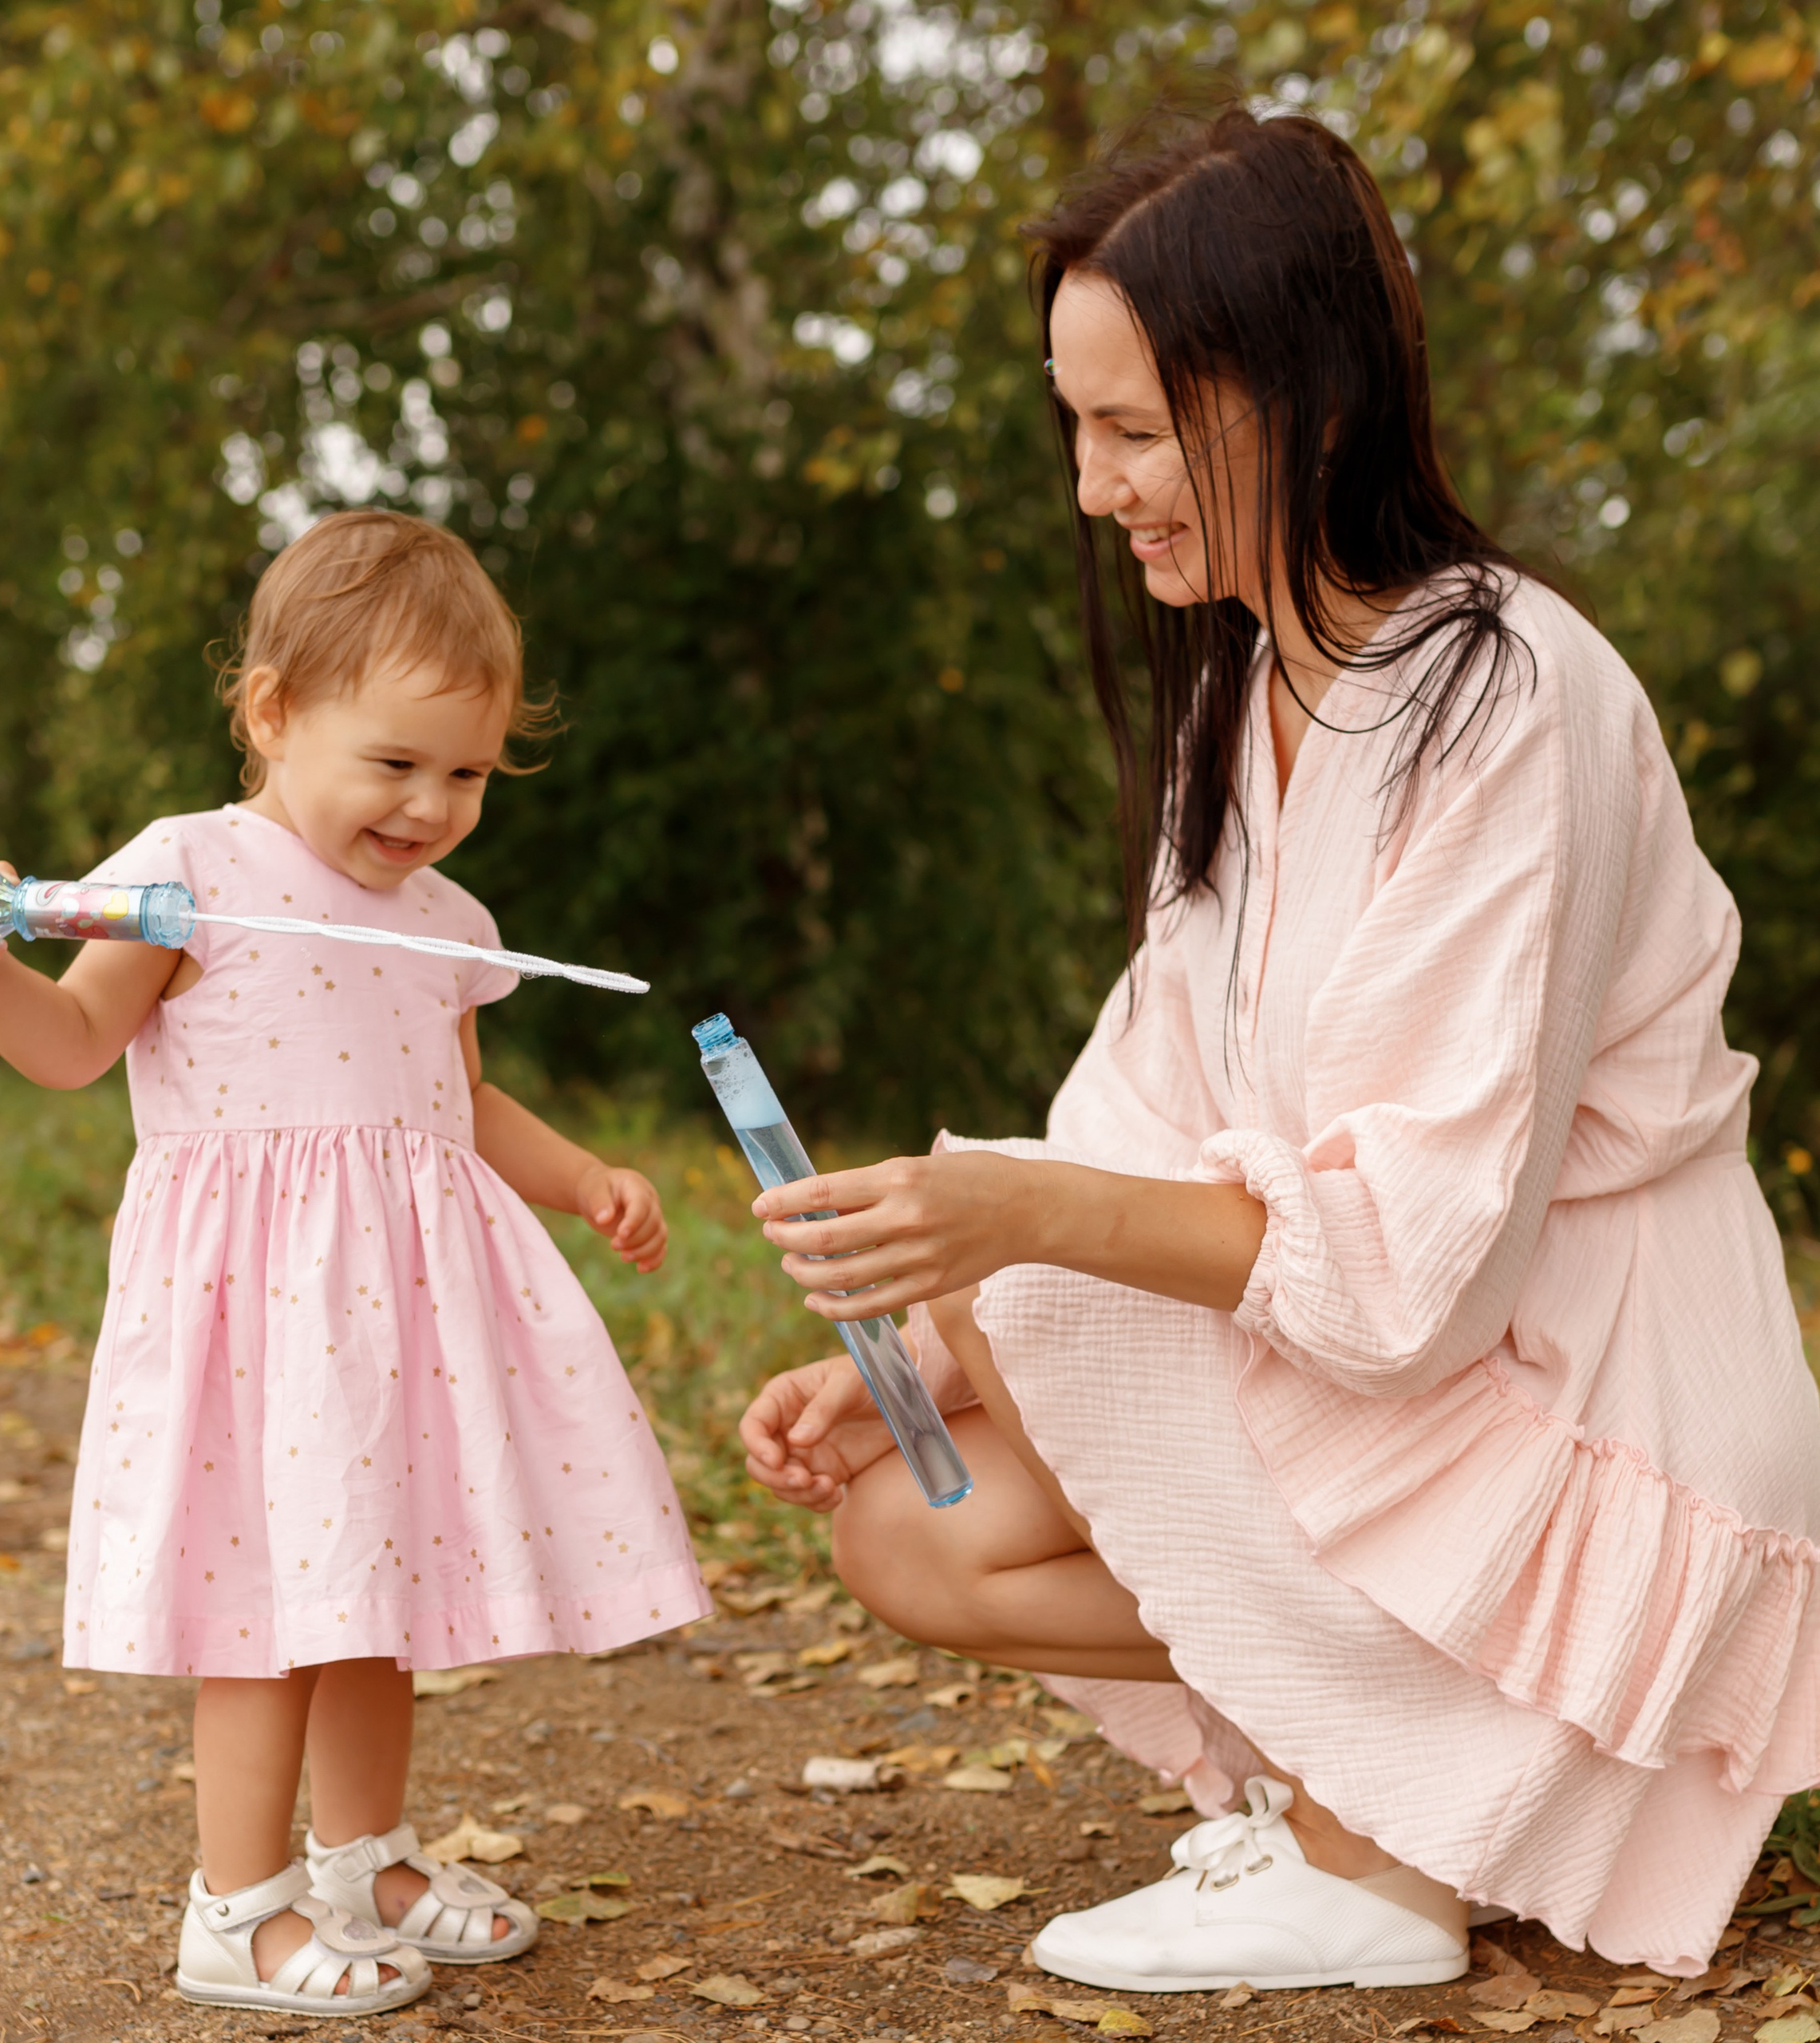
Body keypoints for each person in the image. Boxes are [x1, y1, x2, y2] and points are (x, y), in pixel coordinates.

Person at [740, 105, 1820, 1989]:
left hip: (1566, 1368)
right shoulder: (1242, 699)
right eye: (1078, 427)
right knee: (913, 1528)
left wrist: (1020, 1223)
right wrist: (933, 1328)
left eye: (1135, 430)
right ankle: (1385, 1763)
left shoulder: (1504, 689)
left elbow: (1411, 1275)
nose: (1094, 488)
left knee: (1060, 1278)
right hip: (1390, 1361)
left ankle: (1380, 1853)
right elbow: (1153, 1098)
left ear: (1302, 400)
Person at [0, 511, 710, 2017]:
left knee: (376, 1594)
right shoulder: (187, 870)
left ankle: (362, 1859)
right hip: (256, 1315)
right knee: (268, 1608)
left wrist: (584, 1177)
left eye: (466, 773)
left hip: (398, 1309)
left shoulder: (448, 923)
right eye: (395, 763)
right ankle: (239, 1903)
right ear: (274, 713)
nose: (431, 806)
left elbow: (458, 1100)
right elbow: (76, 1046)